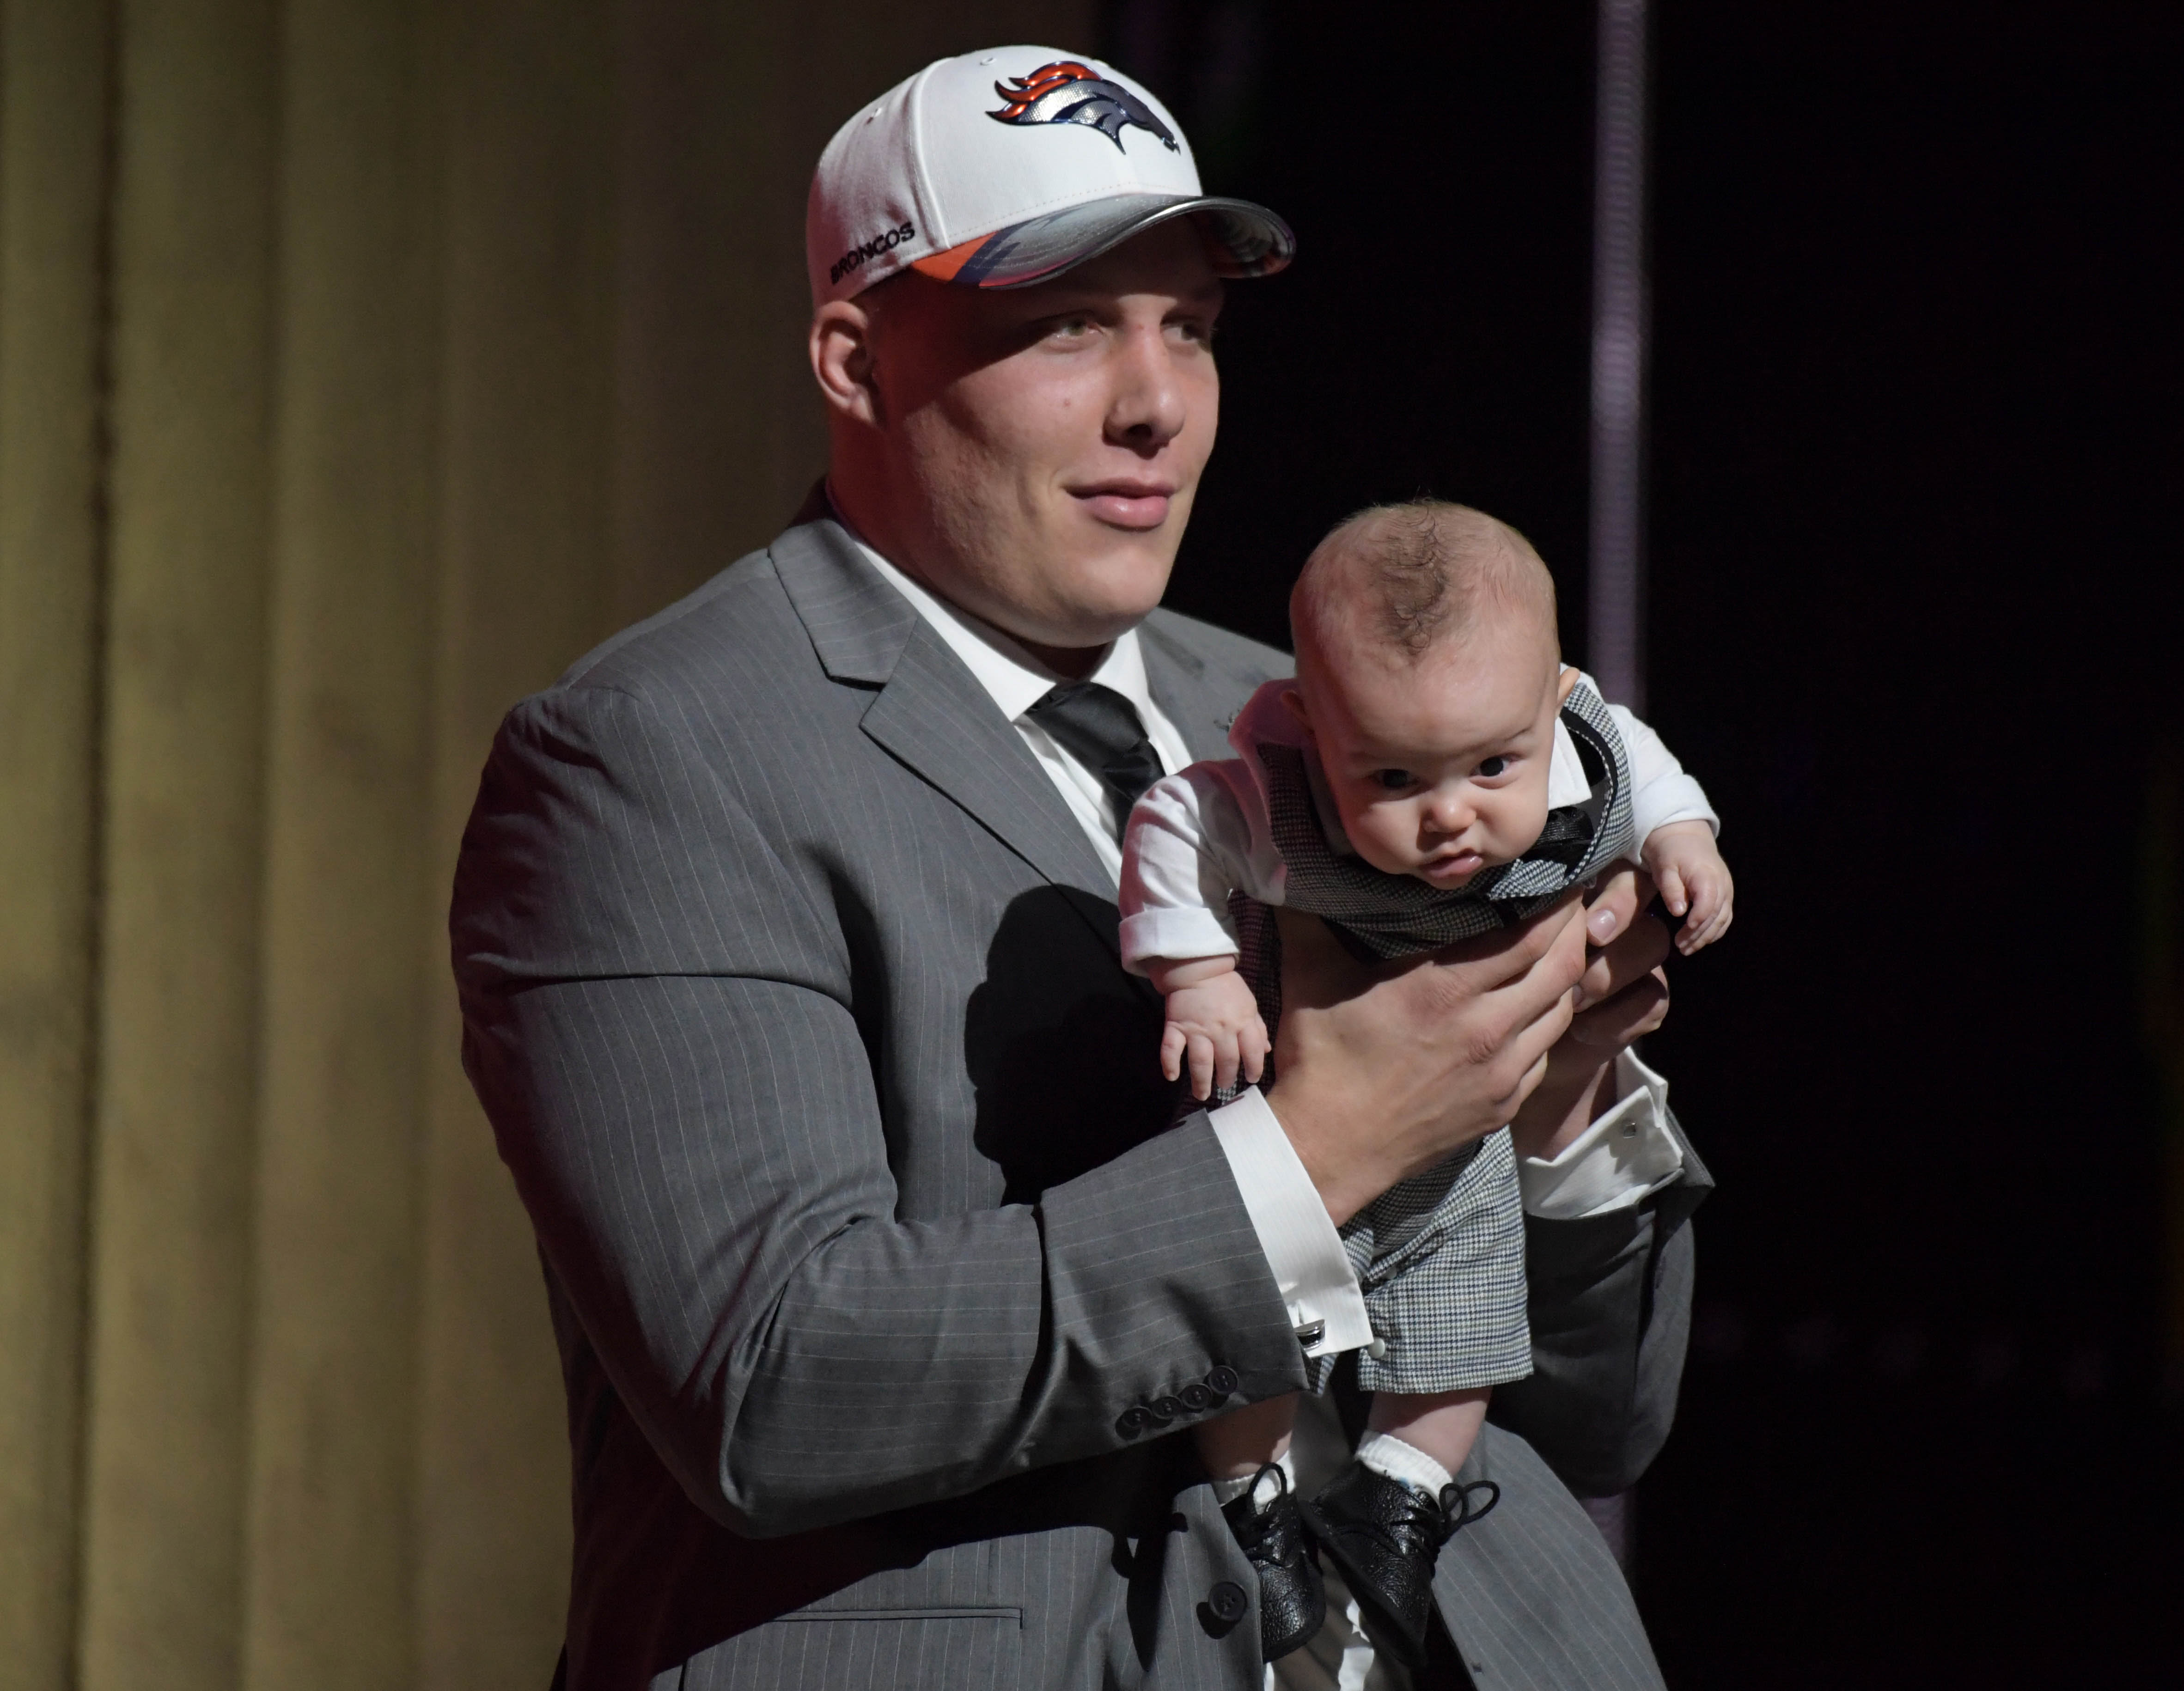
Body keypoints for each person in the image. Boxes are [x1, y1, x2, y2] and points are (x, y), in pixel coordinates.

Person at [450, 46, 1709, 1691]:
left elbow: (1608, 1417)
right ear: (854, 359)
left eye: (1186, 324)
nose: (1156, 401)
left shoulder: (1332, 727)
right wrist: (1322, 1144)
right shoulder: (650, 757)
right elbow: (769, 1379)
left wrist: (1546, 1110)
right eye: (1065, 324)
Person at [1119, 500, 1731, 1669]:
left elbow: (1644, 769)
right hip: (1272, 1161)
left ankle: (1396, 1501)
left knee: (1466, 1339)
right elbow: (1171, 830)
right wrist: (1199, 979)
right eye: (1394, 777)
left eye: (1493, 766)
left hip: (1461, 1163)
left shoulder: (1581, 753)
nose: (1452, 815)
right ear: (1313, 730)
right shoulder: (1273, 797)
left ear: (1554, 702)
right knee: (1254, 1344)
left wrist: (1680, 844)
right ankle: (1252, 1507)